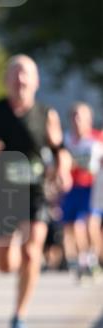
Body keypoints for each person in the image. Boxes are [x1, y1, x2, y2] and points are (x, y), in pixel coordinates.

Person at [0, 55, 71, 328]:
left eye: (26, 74)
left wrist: (63, 168)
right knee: (5, 263)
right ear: (7, 81)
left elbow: (59, 148)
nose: (21, 80)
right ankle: (13, 263)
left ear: (36, 81)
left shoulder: (46, 114)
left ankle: (19, 315)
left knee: (32, 251)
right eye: (15, 74)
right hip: (3, 191)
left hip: (34, 189)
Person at [61, 102, 103, 279]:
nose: (77, 120)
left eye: (81, 116)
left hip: (92, 188)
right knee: (71, 226)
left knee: (89, 224)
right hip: (72, 188)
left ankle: (94, 259)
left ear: (89, 119)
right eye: (74, 116)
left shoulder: (97, 139)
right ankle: (84, 259)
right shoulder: (66, 139)